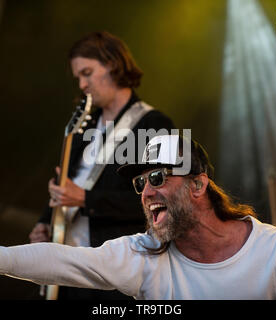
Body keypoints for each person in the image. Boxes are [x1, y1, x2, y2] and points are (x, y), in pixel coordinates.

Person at [0, 134, 276, 299]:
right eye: (140, 183)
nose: (146, 191)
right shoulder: (142, 255)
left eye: (157, 177)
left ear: (198, 184)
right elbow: (68, 262)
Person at [28, 31, 175, 299]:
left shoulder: (154, 124)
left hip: (111, 273)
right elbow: (67, 186)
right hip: (66, 269)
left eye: (87, 72)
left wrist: (85, 199)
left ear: (113, 64)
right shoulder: (83, 126)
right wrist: (45, 224)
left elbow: (162, 201)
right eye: (78, 78)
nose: (82, 84)